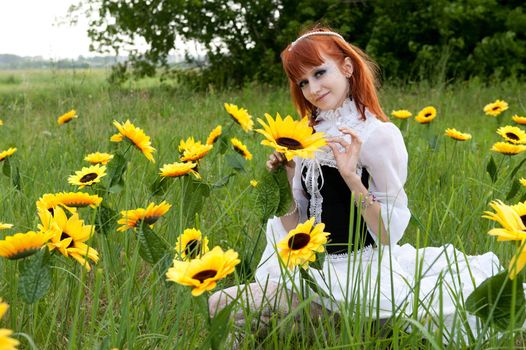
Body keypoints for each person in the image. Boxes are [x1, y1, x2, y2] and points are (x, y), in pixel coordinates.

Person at [209, 26, 505, 343]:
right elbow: (296, 228)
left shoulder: (379, 136)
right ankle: (335, 331)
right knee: (220, 307)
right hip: (315, 273)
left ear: (347, 67)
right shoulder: (308, 134)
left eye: (320, 73)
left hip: (363, 278)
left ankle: (365, 327)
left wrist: (351, 178)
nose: (313, 88)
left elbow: (388, 233)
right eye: (303, 82)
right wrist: (287, 177)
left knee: (223, 307)